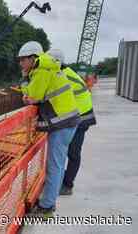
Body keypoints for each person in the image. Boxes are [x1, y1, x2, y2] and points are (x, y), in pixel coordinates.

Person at [18, 41, 80, 217]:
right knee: (58, 164)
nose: (21, 64)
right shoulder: (48, 66)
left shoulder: (42, 70)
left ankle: (46, 207)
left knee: (54, 165)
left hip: (63, 123)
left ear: (33, 58)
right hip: (68, 121)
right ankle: (49, 201)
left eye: (23, 60)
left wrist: (24, 80)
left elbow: (31, 97)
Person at [48, 49, 97, 195]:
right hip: (78, 115)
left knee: (73, 152)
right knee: (66, 151)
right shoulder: (64, 72)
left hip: (81, 117)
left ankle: (67, 185)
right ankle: (62, 180)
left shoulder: (64, 76)